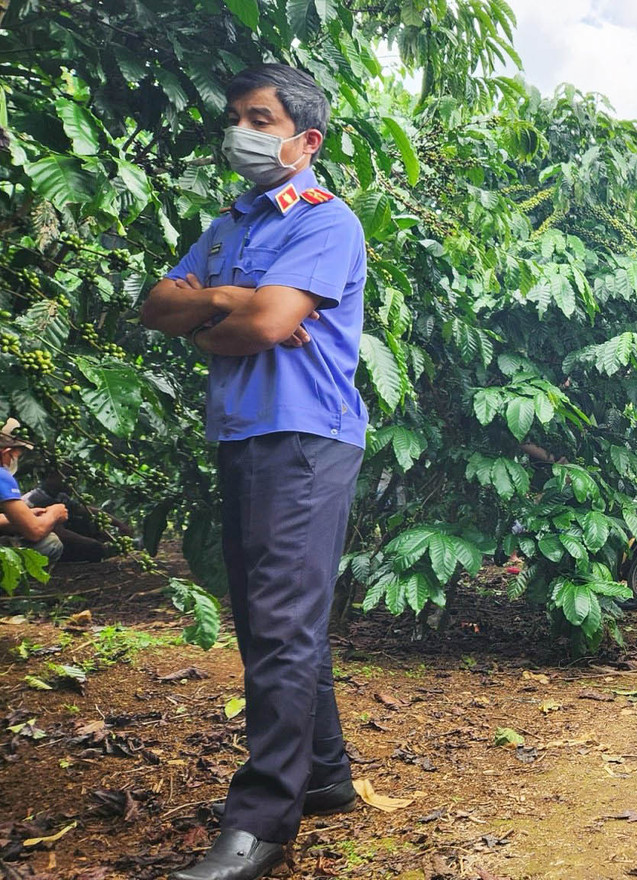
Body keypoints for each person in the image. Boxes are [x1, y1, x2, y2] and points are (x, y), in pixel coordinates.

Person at [141, 64, 366, 880]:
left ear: (304, 141)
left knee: (278, 624)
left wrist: (224, 306)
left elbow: (271, 321)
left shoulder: (326, 220)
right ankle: (328, 776)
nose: (240, 129)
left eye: (260, 117)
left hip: (306, 436)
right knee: (272, 617)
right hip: (242, 431)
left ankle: (262, 822)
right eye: (236, 114)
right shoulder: (229, 222)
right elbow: (156, 306)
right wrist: (232, 305)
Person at [0, 421, 67, 564]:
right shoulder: (1, 476)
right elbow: (35, 531)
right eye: (17, 455)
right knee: (50, 543)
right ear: (6, 452)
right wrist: (55, 514)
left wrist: (23, 516)